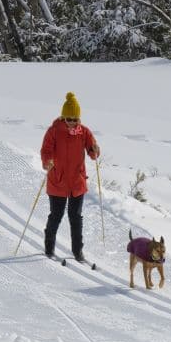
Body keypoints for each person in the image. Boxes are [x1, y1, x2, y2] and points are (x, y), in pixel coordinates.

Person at [40, 92, 101, 261]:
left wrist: (94, 150)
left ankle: (77, 251)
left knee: (76, 217)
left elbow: (92, 150)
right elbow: (46, 151)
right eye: (69, 119)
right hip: (58, 180)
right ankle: (49, 247)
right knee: (56, 215)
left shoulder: (84, 132)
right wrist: (48, 161)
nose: (72, 122)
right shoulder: (53, 131)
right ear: (63, 117)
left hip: (77, 182)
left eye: (75, 119)